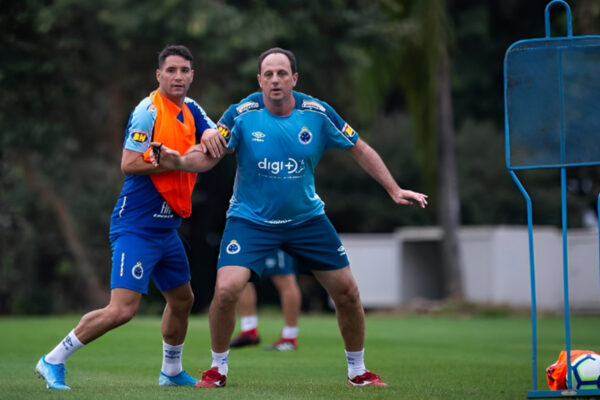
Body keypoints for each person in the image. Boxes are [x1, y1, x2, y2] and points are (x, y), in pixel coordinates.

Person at [152, 47, 428, 389]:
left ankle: (358, 371)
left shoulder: (317, 112)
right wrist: (178, 161)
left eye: (282, 73)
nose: (275, 80)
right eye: (268, 74)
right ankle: (217, 369)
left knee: (348, 292)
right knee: (226, 291)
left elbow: (360, 148)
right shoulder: (243, 111)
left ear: (294, 79)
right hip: (249, 220)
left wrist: (393, 188)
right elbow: (207, 154)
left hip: (306, 220)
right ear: (260, 81)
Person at [35, 45, 221, 390]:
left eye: (184, 71)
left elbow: (215, 134)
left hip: (167, 229)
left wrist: (212, 133)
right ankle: (52, 360)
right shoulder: (146, 111)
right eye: (171, 70)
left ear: (192, 75)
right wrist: (171, 159)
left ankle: (171, 372)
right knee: (122, 310)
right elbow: (128, 163)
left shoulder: (193, 109)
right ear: (159, 75)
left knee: (183, 300)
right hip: (136, 226)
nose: (178, 76)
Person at [229, 249, 301, 351]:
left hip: (275, 234)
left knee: (283, 278)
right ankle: (249, 330)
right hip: (248, 234)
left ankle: (290, 336)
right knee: (240, 274)